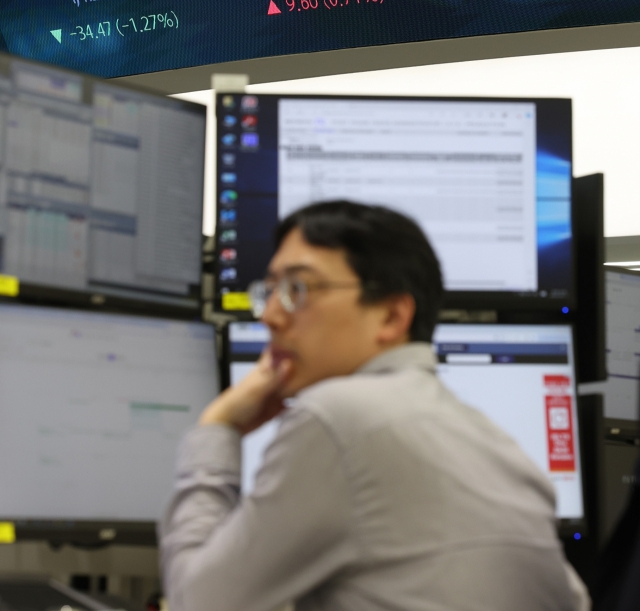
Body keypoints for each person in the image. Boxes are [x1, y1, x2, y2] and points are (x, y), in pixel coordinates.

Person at [160, 200, 588, 611]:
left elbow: (198, 603)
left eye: (297, 288)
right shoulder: (498, 446)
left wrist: (218, 429)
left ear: (391, 316)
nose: (270, 315)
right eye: (269, 291)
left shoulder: (336, 415)